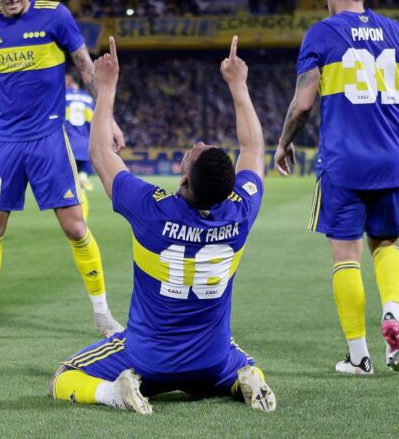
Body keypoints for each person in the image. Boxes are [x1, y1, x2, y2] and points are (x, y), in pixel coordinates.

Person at [49, 36, 276, 414]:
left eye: (192, 154)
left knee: (63, 376)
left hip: (148, 361)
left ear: (183, 182)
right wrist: (239, 85)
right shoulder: (241, 210)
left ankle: (116, 393)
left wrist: (106, 88)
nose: (197, 142)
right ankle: (245, 379)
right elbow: (252, 149)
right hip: (212, 359)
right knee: (240, 360)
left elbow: (100, 153)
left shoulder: (151, 209)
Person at [274, 0, 399, 375]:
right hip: (390, 162)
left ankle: (359, 355)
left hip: (342, 164)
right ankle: (392, 312)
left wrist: (283, 144)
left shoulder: (321, 34)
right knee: (386, 245)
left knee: (345, 257)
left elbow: (302, 103)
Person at [0, 0, 125, 341]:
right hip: (6, 141)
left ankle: (103, 315)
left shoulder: (55, 16)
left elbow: (85, 67)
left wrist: (108, 117)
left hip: (49, 137)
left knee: (75, 227)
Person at [64, 72, 96, 219]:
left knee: (69, 187)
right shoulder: (88, 98)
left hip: (66, 144)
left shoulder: (61, 96)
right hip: (84, 144)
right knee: (80, 179)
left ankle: (77, 221)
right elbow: (93, 123)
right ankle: (83, 178)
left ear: (69, 79)